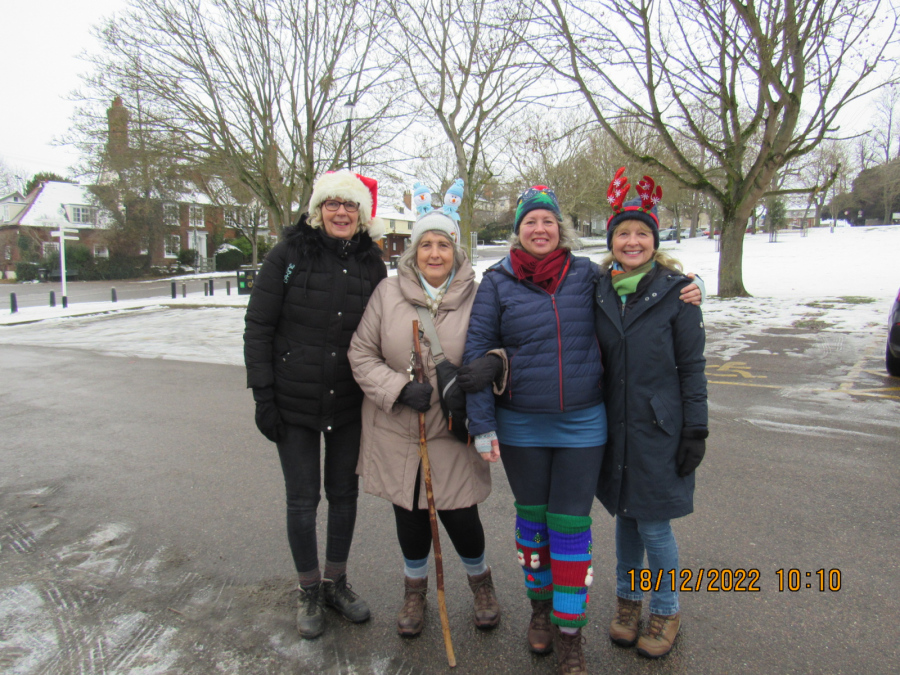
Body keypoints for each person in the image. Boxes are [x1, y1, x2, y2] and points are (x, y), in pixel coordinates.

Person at [463, 184, 703, 675]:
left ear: (561, 228)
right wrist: (482, 422)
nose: (540, 229)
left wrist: (689, 283)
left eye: (548, 221)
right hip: (521, 426)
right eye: (530, 222)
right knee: (533, 527)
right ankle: (541, 611)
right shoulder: (497, 281)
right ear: (518, 230)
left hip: (583, 425)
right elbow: (476, 351)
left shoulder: (588, 275)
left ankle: (570, 632)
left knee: (571, 529)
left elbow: (644, 283)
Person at [348, 181, 505, 637]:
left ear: (456, 251)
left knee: (461, 514)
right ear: (413, 251)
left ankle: (481, 584)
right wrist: (398, 388)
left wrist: (494, 364)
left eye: (443, 244)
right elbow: (361, 353)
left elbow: (505, 347)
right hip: (399, 429)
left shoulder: (481, 295)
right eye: (425, 244)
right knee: (410, 515)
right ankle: (414, 592)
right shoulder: (387, 293)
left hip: (453, 428)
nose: (434, 253)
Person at [243, 170, 387, 639]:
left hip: (349, 402)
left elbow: (382, 331)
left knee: (344, 496)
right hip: (294, 401)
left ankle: (335, 582)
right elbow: (258, 326)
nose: (341, 213)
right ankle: (308, 588)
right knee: (303, 499)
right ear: (318, 209)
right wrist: (263, 395)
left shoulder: (372, 263)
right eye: (332, 204)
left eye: (350, 205)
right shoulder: (288, 254)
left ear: (361, 214)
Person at [594, 169, 708, 659]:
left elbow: (692, 367)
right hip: (614, 428)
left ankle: (665, 608)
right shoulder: (600, 289)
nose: (633, 241)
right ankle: (628, 601)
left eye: (642, 233)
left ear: (655, 241)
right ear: (611, 241)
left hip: (659, 429)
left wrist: (696, 428)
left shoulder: (678, 293)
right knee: (626, 517)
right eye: (623, 233)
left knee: (655, 525)